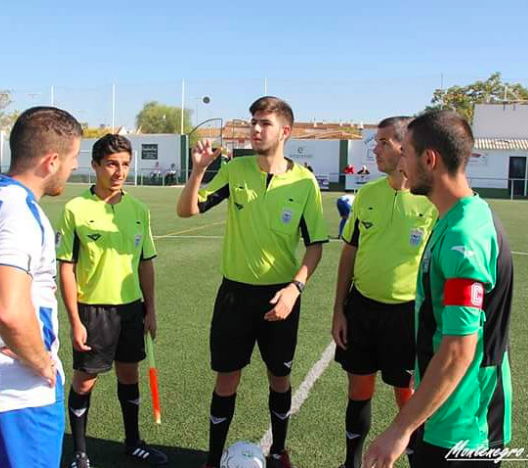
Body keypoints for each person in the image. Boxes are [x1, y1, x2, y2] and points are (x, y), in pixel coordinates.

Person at [177, 96, 328, 468]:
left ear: (285, 132)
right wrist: (198, 171)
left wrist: (295, 289)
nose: (255, 130)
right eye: (252, 123)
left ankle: (279, 450)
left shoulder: (305, 182)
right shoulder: (237, 170)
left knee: (279, 376)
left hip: (281, 296)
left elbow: (315, 247)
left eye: (264, 123)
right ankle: (213, 458)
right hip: (234, 296)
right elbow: (188, 210)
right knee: (226, 379)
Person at [364, 111, 514, 468]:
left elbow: (459, 349)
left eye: (406, 153)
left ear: (429, 159)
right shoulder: (457, 217)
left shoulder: (465, 237)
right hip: (444, 410)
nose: (400, 161)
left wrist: (400, 429)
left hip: (464, 428)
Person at [0, 106, 82, 468]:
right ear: (51, 161)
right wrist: (39, 361)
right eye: (73, 159)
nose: (73, 168)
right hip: (19, 389)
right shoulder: (18, 214)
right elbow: (9, 309)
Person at [332, 116, 438, 468]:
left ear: (402, 146)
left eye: (382, 143)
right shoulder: (367, 194)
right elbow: (349, 251)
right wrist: (338, 310)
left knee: (407, 397)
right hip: (361, 310)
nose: (374, 149)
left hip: (407, 315)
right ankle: (353, 463)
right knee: (358, 392)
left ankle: (415, 461)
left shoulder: (430, 202)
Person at [56, 134, 167, 468]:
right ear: (95, 166)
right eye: (111, 164)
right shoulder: (75, 209)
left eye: (125, 165)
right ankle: (79, 452)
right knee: (85, 380)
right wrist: (75, 320)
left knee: (129, 375)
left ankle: (133, 443)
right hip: (93, 311)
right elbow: (66, 267)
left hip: (131, 309)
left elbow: (146, 262)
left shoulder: (139, 210)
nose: (119, 172)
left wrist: (151, 309)